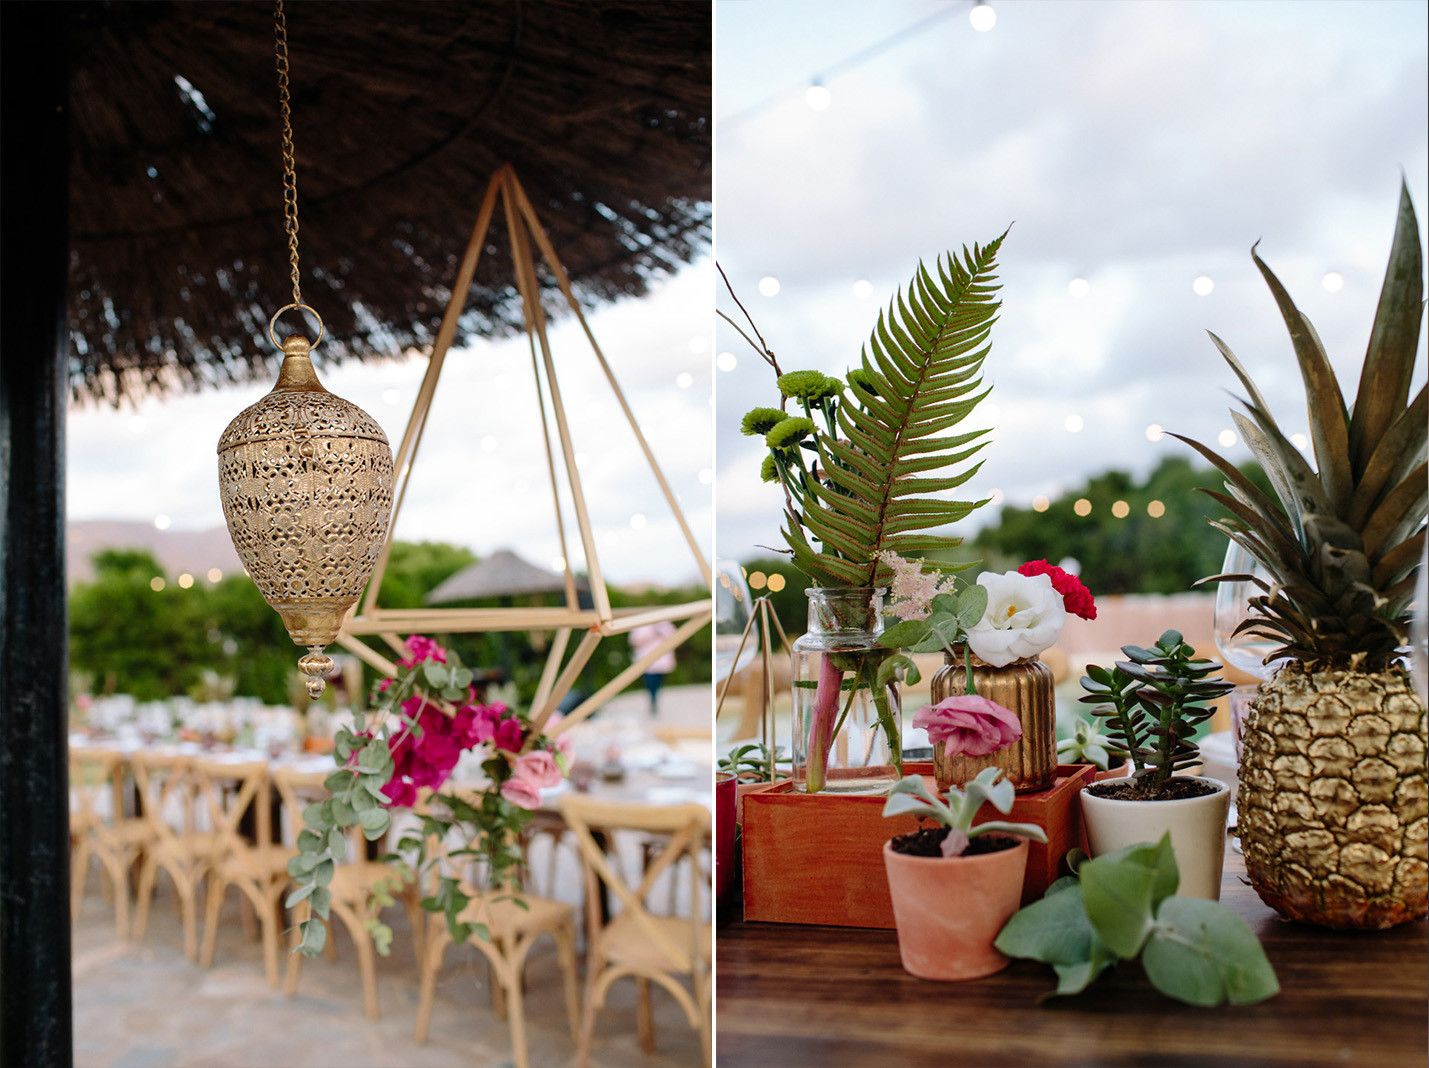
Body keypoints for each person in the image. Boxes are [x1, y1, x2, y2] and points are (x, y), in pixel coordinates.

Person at [628, 620, 677, 715]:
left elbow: (674, 637)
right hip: (647, 661)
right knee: (650, 683)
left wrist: (660, 631)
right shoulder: (641, 625)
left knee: (658, 683)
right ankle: (652, 701)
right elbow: (634, 640)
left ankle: (655, 700)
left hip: (662, 661)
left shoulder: (664, 624)